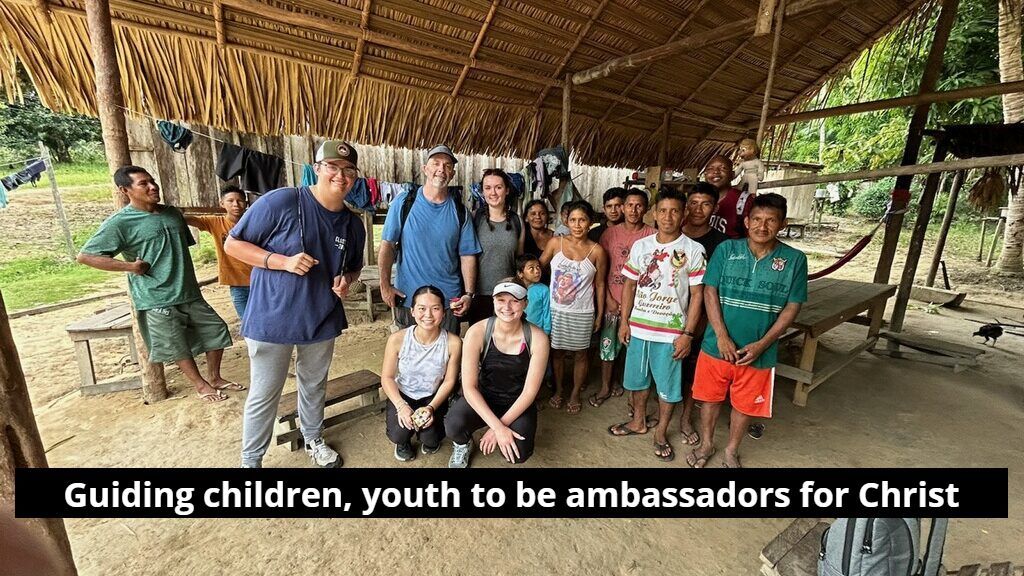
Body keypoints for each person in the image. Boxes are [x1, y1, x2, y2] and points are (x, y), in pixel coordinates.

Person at [225, 140, 366, 468]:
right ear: (316, 169)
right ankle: (251, 461)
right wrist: (279, 261)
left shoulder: (352, 223)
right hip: (272, 318)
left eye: (348, 170)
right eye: (332, 167)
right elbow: (234, 245)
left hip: (322, 317)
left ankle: (314, 439)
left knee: (315, 384)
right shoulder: (283, 201)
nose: (340, 175)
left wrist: (348, 279)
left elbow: (353, 266)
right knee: (265, 393)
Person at [77, 166, 237, 404]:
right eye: (143, 183)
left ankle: (214, 377)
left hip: (188, 291)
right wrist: (130, 267)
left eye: (153, 181)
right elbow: (86, 256)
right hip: (155, 296)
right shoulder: (120, 223)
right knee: (176, 344)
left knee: (216, 331)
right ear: (125, 190)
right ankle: (200, 385)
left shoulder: (172, 214)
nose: (153, 187)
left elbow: (178, 249)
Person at [688, 193, 807, 469]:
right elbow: (710, 291)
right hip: (716, 346)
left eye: (770, 221)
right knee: (710, 398)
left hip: (759, 352)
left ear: (783, 224)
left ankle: (731, 449)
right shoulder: (727, 250)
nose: (762, 227)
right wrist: (721, 335)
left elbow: (792, 307)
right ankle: (707, 443)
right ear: (746, 221)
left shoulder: (794, 259)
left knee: (745, 405)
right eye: (757, 219)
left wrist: (763, 344)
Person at [608, 189, 705, 463]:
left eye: (674, 211)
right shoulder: (642, 246)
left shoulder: (693, 250)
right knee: (637, 384)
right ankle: (638, 421)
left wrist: (687, 334)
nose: (668, 216)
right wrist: (624, 322)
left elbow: (698, 295)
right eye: (662, 211)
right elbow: (629, 285)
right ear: (654, 214)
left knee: (668, 388)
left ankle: (660, 432)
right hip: (639, 329)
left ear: (684, 214)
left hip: (671, 333)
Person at [444, 279, 549, 468]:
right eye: (501, 300)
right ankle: (463, 445)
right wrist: (498, 427)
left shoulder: (537, 338)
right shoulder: (477, 331)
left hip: (517, 401)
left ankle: (506, 428)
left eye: (515, 300)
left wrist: (497, 429)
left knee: (518, 454)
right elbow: (469, 387)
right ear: (493, 302)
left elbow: (529, 393)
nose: (507, 307)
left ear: (525, 303)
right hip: (484, 396)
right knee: (453, 424)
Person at [379, 145, 480, 333]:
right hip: (409, 299)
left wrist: (468, 294)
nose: (441, 169)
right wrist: (385, 285)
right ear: (425, 169)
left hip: (448, 302)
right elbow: (388, 245)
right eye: (436, 163)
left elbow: (467, 256)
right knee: (409, 357)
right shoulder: (404, 203)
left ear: (452, 173)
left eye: (447, 165)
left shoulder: (460, 212)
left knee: (447, 357)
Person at [539, 200, 607, 414]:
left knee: (581, 355)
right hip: (556, 311)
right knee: (556, 353)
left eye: (583, 220)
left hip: (583, 312)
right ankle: (559, 390)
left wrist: (599, 314)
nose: (577, 225)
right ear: (566, 221)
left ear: (590, 223)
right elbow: (537, 269)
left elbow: (600, 284)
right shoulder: (554, 243)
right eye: (573, 220)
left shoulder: (597, 251)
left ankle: (575, 392)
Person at [380, 285, 461, 461]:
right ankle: (403, 442)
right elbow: (386, 378)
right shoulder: (397, 339)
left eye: (436, 308)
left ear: (444, 312)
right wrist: (401, 406)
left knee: (431, 439)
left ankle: (430, 436)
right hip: (404, 394)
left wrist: (431, 408)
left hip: (432, 397)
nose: (428, 315)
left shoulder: (453, 343)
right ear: (412, 311)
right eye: (422, 309)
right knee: (399, 433)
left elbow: (449, 381)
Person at [590, 188, 653, 407]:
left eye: (639, 205)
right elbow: (601, 271)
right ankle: (606, 386)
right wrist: (608, 298)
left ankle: (633, 396)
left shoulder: (652, 236)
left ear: (646, 208)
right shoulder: (610, 234)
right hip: (612, 302)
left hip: (639, 307)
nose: (634, 210)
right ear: (623, 207)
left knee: (635, 352)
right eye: (630, 205)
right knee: (607, 348)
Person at [678, 182, 729, 445]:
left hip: (702, 319)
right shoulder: (672, 234)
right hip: (666, 315)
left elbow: (715, 289)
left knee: (693, 370)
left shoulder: (722, 244)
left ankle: (686, 417)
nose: (698, 209)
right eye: (693, 203)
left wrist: (704, 322)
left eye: (705, 203)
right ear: (685, 205)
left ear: (715, 207)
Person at [184, 183, 253, 318]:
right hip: (236, 282)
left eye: (240, 201)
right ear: (222, 203)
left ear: (246, 203)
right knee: (246, 322)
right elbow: (189, 219)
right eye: (230, 201)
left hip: (259, 279)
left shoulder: (255, 221)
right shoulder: (215, 222)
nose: (236, 204)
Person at [467, 168, 525, 325]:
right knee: (481, 343)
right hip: (480, 295)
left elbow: (519, 260)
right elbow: (464, 257)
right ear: (482, 191)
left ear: (506, 190)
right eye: (488, 188)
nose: (493, 192)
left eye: (498, 187)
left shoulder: (517, 221)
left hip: (509, 295)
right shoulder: (474, 218)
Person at [705, 155, 753, 239]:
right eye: (710, 169)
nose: (716, 172)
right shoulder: (698, 198)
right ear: (705, 174)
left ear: (732, 175)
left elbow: (752, 236)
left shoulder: (743, 201)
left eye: (723, 168)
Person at [516, 254, 550, 335]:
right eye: (531, 268)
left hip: (537, 332)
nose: (537, 271)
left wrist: (546, 332)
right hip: (517, 331)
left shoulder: (544, 289)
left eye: (538, 267)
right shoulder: (515, 289)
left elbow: (547, 312)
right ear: (520, 273)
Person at [522, 199, 554, 284]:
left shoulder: (556, 237)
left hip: (551, 286)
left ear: (547, 216)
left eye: (542, 213)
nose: (538, 217)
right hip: (528, 286)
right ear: (526, 218)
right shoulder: (521, 238)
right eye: (533, 214)